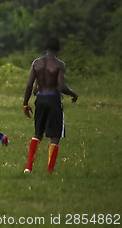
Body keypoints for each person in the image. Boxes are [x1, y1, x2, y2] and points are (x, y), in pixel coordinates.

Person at [23, 38, 78, 173]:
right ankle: (50, 169)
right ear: (59, 48)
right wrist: (73, 93)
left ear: (46, 47)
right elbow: (62, 86)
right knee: (55, 135)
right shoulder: (59, 65)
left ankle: (28, 167)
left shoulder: (37, 63)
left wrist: (25, 103)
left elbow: (30, 84)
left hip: (40, 99)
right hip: (53, 99)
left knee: (38, 133)